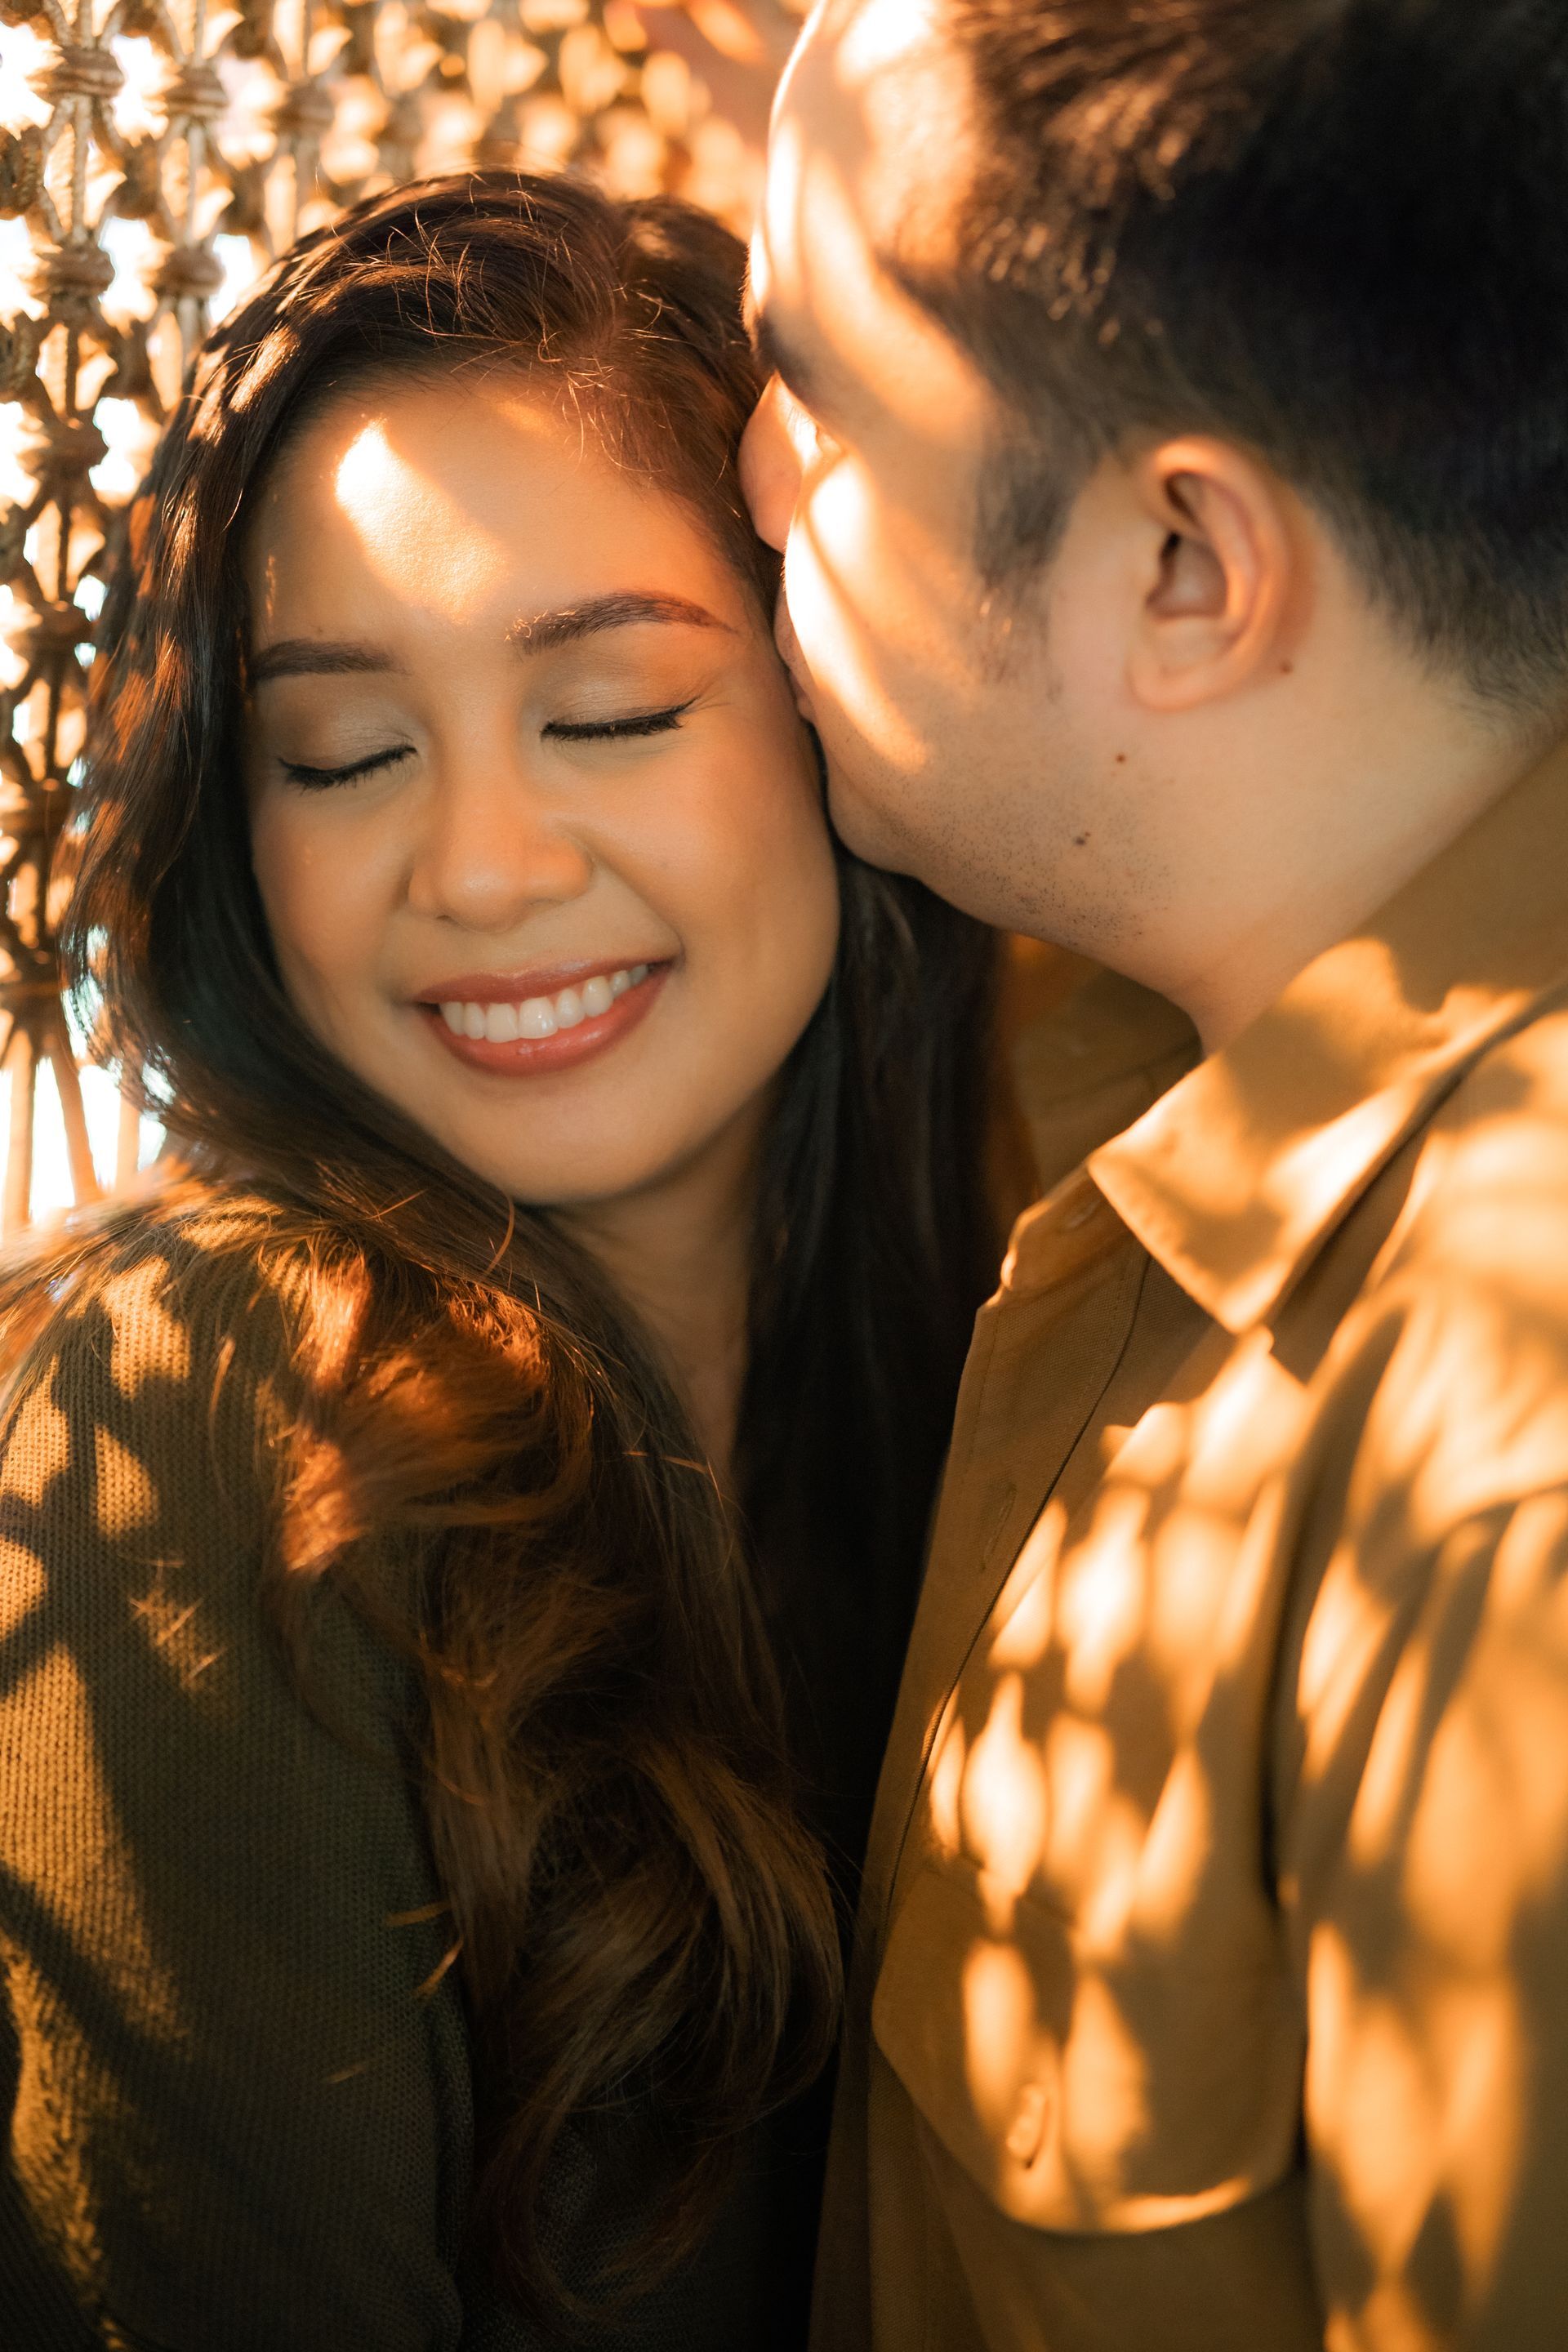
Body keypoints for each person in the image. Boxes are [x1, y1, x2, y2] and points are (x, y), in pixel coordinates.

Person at [0, 172, 1004, 2350]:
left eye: (611, 710)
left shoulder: (995, 1340)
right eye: (344, 753)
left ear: (845, 712)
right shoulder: (202, 1406)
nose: (478, 867)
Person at [742, 2, 1568, 2346]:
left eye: (820, 397)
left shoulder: (1503, 1493)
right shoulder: (1179, 1004)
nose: (753, 482)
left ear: (1191, 568)